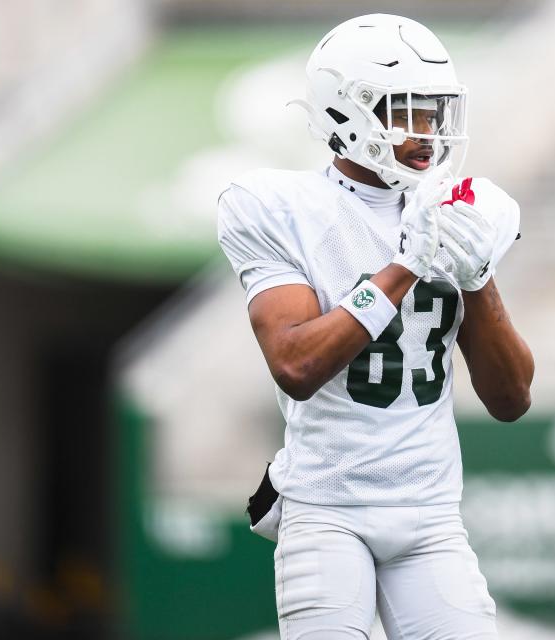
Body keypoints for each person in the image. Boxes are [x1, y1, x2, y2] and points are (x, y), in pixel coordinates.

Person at [217, 13, 534, 640]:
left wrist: (476, 278)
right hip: (327, 510)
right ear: (346, 114)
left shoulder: (469, 208)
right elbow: (297, 366)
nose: (427, 132)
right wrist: (406, 265)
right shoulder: (278, 207)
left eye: (433, 111)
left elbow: (511, 399)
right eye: (405, 111)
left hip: (432, 513)